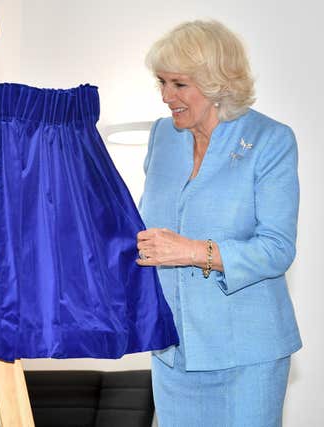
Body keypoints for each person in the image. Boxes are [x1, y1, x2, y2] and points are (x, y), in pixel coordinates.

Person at [137, 20, 301, 426]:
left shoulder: (270, 140)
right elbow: (144, 228)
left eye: (178, 85)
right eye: (161, 83)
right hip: (174, 350)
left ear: (216, 83)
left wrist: (191, 251)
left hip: (248, 352)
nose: (165, 97)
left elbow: (277, 248)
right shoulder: (163, 136)